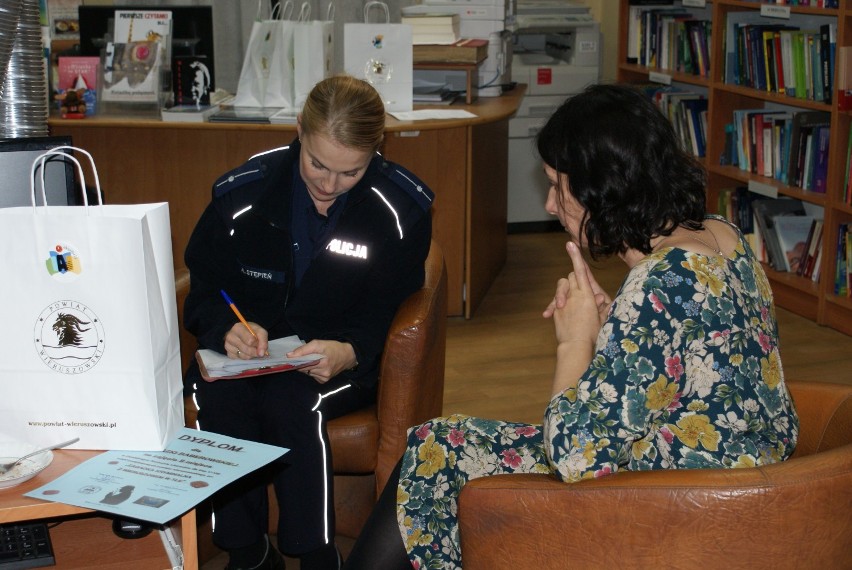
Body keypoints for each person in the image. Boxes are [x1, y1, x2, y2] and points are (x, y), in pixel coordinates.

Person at [343, 83, 799, 569]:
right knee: (443, 443)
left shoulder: (661, 282)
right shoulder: (722, 234)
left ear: (603, 190)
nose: (549, 205)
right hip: (741, 480)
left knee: (439, 448)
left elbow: (572, 457)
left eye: (557, 186)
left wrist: (575, 341)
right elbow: (686, 369)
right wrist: (616, 325)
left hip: (673, 499)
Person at [183, 75, 433, 570]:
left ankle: (317, 556)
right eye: (317, 163)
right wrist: (225, 329)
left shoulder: (399, 209)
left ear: (375, 151)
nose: (327, 184)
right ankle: (248, 552)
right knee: (216, 393)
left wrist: (352, 351)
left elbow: (392, 308)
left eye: (349, 173)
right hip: (249, 358)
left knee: (292, 398)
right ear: (299, 130)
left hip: (342, 363)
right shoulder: (243, 197)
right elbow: (206, 292)